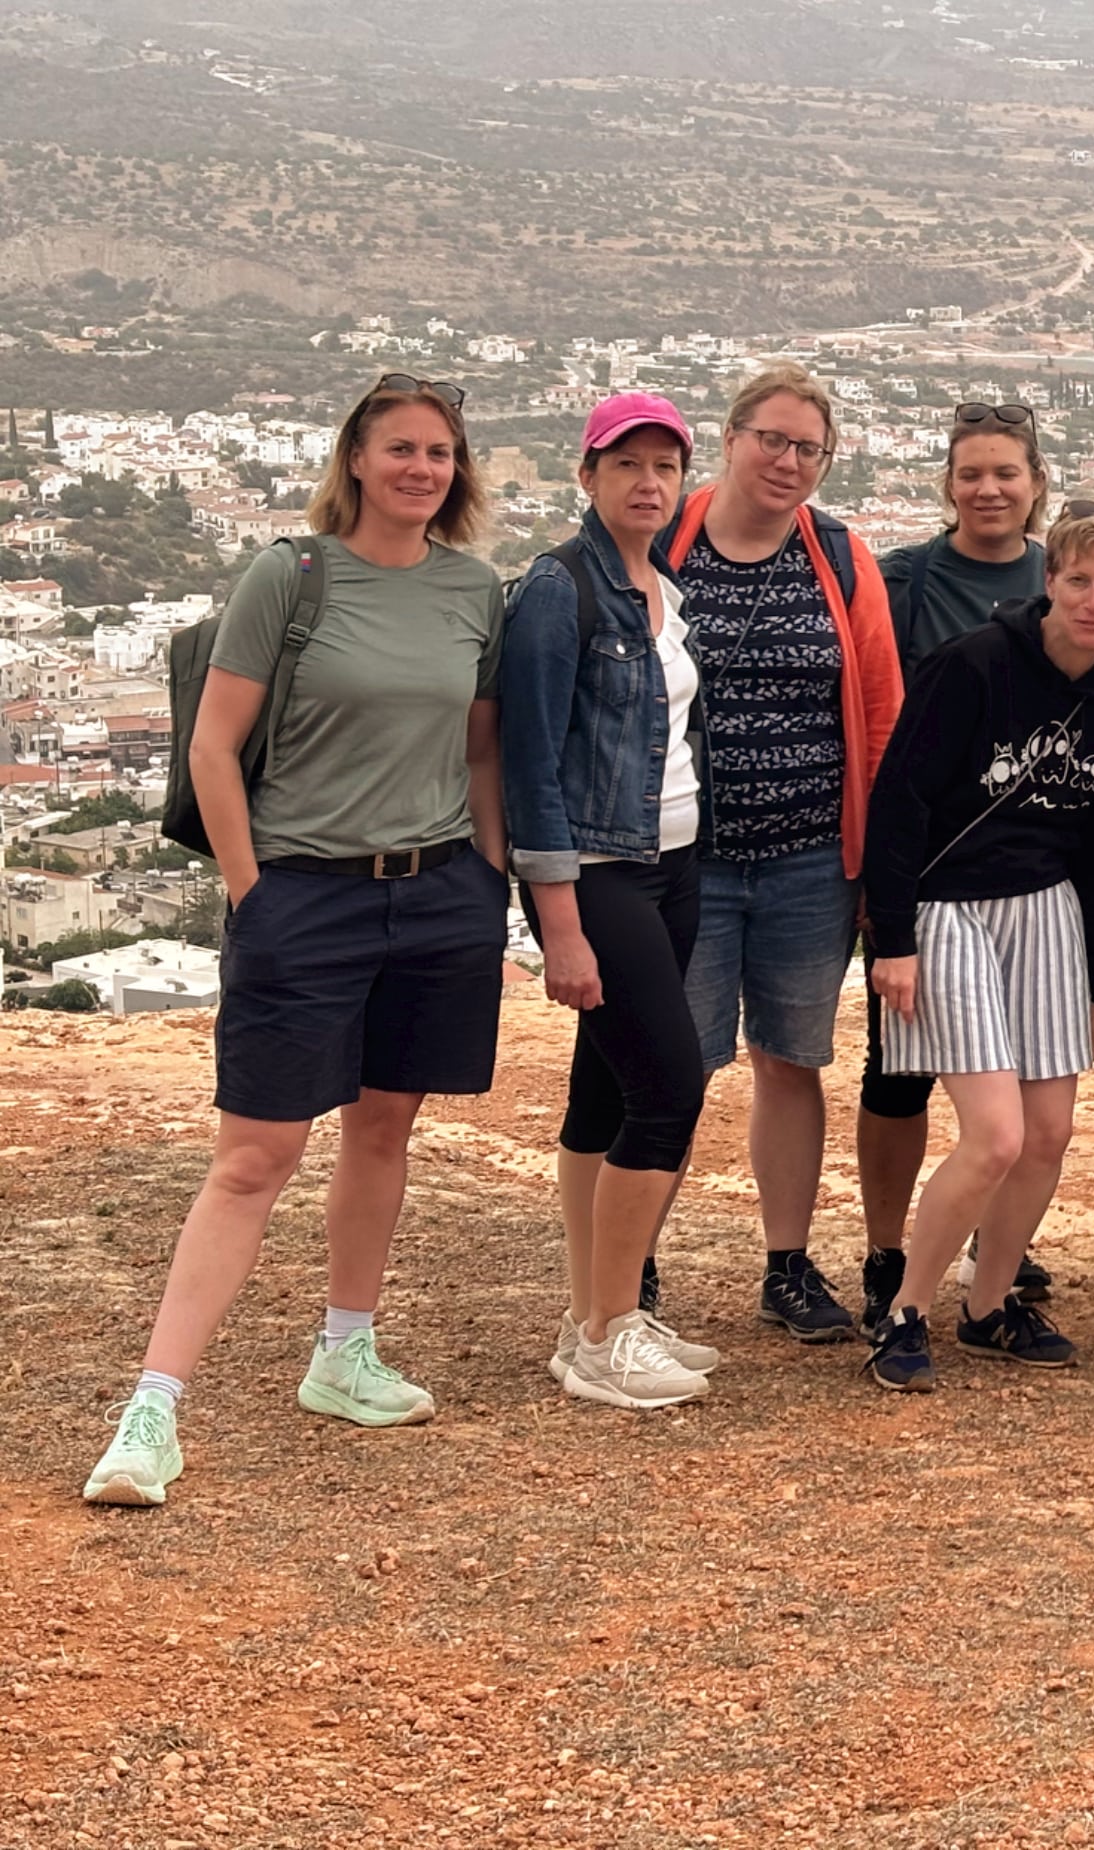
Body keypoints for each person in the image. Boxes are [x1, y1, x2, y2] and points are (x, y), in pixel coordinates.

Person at [87, 376, 508, 1507]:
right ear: (357, 459)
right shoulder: (294, 574)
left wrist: (490, 876)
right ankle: (153, 1409)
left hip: (433, 897)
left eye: (442, 452)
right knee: (254, 1157)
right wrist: (250, 891)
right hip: (303, 897)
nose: (424, 468)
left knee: (383, 1130)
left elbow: (478, 753)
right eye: (403, 449)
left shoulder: (477, 591)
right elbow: (215, 748)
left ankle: (345, 1352)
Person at [858, 503, 1094, 1389]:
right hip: (950, 909)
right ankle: (906, 1309)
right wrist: (894, 936)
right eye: (1078, 580)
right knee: (991, 1136)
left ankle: (988, 1307)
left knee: (1048, 1133)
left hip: (1048, 913)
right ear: (1049, 580)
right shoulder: (972, 664)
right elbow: (901, 800)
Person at [658, 364, 903, 1345]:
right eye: (773, 439)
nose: (788, 461)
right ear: (730, 437)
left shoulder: (842, 559)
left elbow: (879, 716)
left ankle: (788, 1266)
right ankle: (629, 1262)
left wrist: (877, 874)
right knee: (672, 1066)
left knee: (791, 1062)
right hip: (685, 863)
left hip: (810, 861)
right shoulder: (660, 547)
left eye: (808, 448)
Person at [499, 393, 723, 1407]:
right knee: (671, 1089)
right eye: (626, 463)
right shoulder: (558, 588)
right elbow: (529, 762)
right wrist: (558, 925)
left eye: (665, 467)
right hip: (598, 872)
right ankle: (609, 1330)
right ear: (586, 475)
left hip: (673, 865)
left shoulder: (661, 587)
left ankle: (588, 1317)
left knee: (606, 1094)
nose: (648, 482)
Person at [861, 400, 1056, 1331]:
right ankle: (888, 1245)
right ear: (948, 484)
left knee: (1014, 1080)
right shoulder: (905, 580)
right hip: (924, 866)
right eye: (971, 473)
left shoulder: (1063, 582)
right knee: (896, 1073)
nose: (988, 489)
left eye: (1006, 473)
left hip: (1022, 878)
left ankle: (992, 1240)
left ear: (1035, 485)